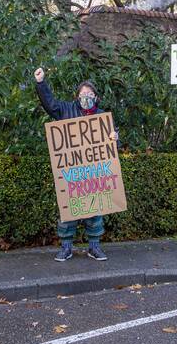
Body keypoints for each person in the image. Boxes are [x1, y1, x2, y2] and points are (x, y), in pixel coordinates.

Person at [34, 67, 118, 262]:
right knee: (68, 210)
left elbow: (113, 142)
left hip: (93, 172)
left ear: (96, 97)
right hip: (71, 172)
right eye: (82, 94)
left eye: (89, 94)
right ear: (77, 97)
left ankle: (94, 246)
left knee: (95, 210)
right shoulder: (66, 110)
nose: (86, 97)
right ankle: (66, 247)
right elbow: (50, 104)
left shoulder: (103, 117)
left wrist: (115, 137)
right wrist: (41, 83)